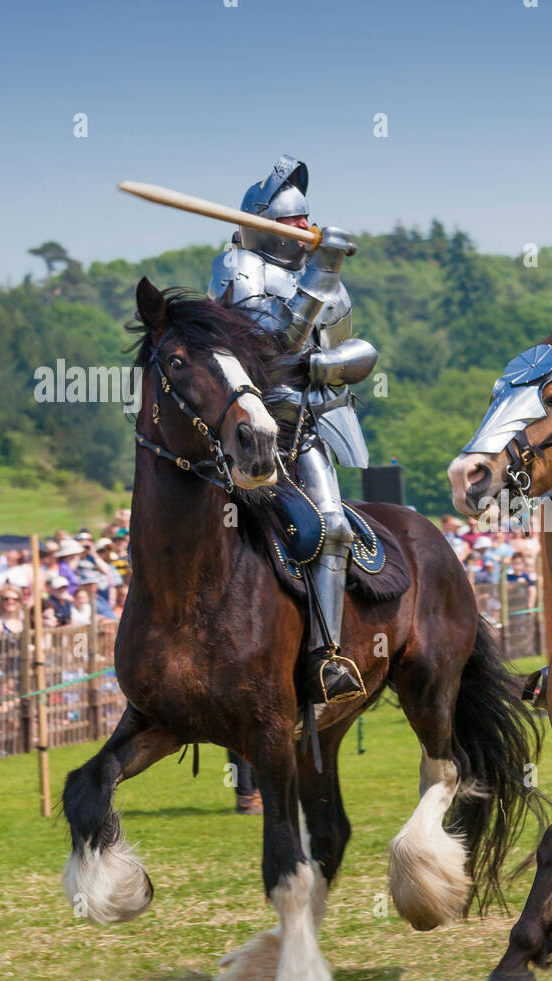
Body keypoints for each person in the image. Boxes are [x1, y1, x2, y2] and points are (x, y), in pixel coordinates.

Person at [209, 154, 378, 704]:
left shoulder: (330, 285)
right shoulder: (238, 266)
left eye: (307, 224)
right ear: (266, 227)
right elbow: (271, 341)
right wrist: (323, 270)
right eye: (294, 225)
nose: (304, 232)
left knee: (334, 530)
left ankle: (326, 657)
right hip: (245, 429)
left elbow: (351, 351)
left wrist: (327, 368)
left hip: (306, 426)